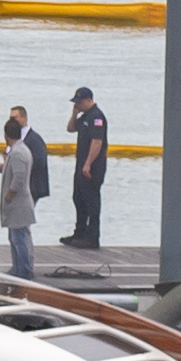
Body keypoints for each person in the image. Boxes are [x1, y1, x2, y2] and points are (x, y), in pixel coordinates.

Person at [0, 106, 48, 278]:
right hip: (20, 200)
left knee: (19, 237)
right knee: (15, 236)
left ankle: (24, 269)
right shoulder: (21, 149)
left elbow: (19, 177)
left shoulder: (18, 152)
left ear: (6, 135)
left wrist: (9, 194)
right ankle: (18, 267)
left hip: (19, 202)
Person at [63, 86, 109, 248]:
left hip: (92, 166)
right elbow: (70, 128)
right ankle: (79, 232)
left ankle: (92, 236)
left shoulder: (97, 117)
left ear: (89, 100)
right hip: (81, 164)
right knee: (78, 198)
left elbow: (97, 142)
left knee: (91, 201)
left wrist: (88, 163)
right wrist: (74, 114)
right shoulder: (85, 116)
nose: (77, 105)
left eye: (79, 102)